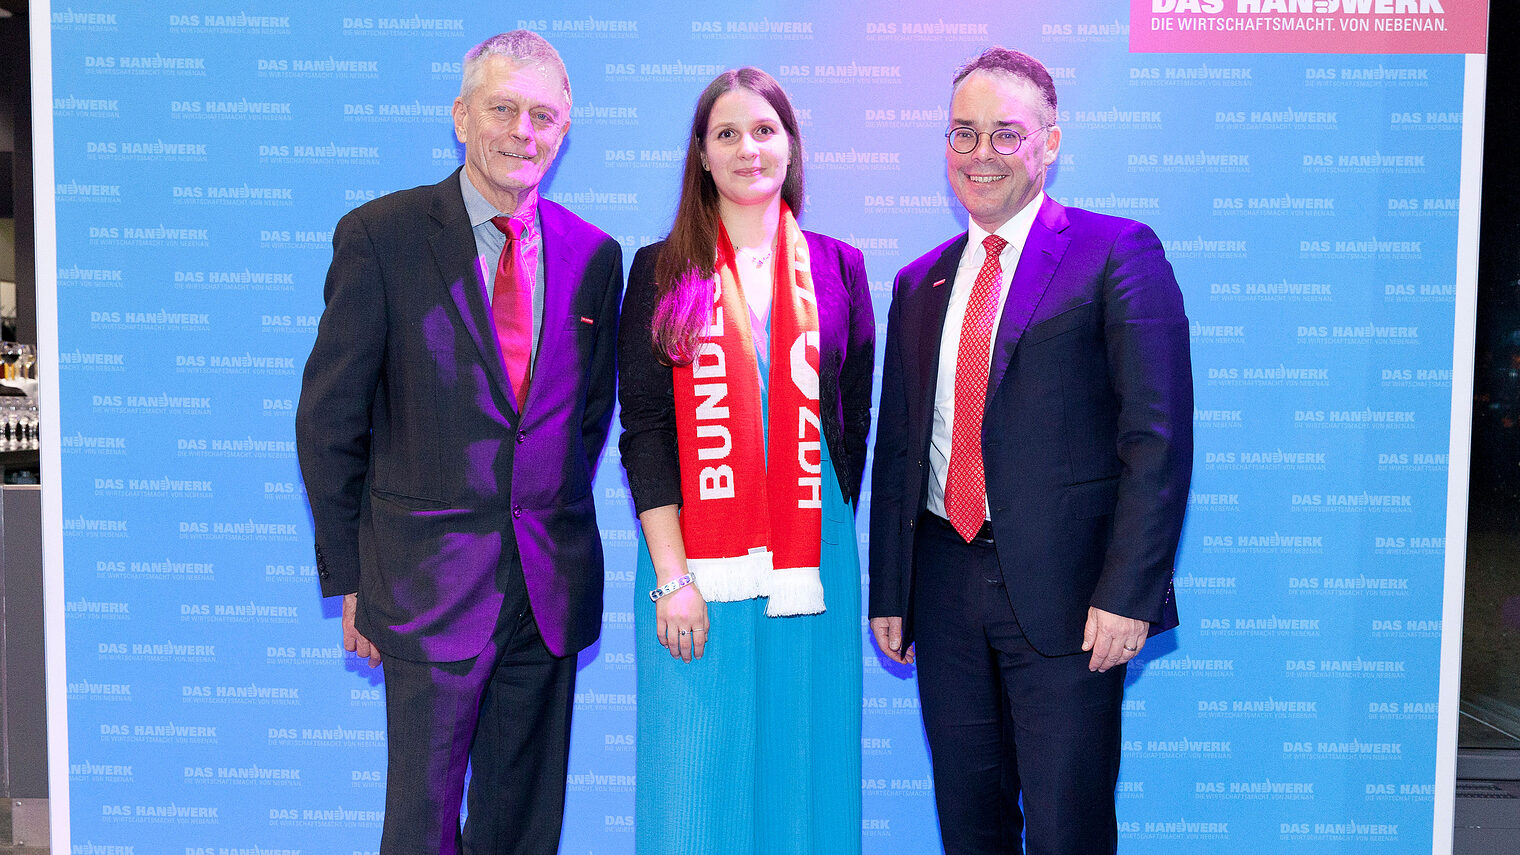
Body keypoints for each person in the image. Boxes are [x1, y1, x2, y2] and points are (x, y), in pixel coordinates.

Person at [295, 31, 621, 855]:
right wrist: (355, 576)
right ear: (461, 117)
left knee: (523, 824)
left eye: (542, 115)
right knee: (420, 825)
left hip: (546, 591)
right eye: (503, 109)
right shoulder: (382, 236)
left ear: (566, 128)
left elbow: (585, 417)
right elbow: (330, 424)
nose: (523, 131)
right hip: (424, 587)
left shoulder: (593, 256)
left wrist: (538, 517)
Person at [867, 47, 1193, 855]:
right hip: (943, 589)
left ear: (1050, 142)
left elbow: (1157, 439)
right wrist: (890, 589)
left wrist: (1130, 595)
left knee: (1064, 828)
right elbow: (902, 444)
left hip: (1073, 598)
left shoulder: (1118, 252)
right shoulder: (920, 282)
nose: (981, 154)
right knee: (969, 824)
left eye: (1005, 135)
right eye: (963, 133)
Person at [617, 67, 874, 855]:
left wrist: (814, 530)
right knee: (696, 778)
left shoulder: (839, 267)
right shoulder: (660, 268)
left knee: (807, 767)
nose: (747, 148)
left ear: (791, 147)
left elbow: (852, 422)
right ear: (700, 154)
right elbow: (646, 433)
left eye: (764, 130)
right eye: (726, 133)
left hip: (810, 559)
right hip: (693, 559)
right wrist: (674, 577)